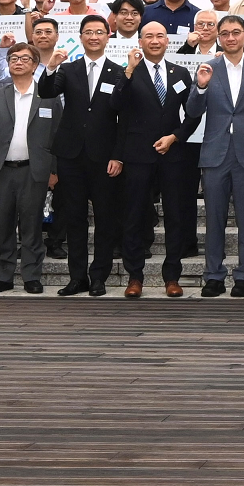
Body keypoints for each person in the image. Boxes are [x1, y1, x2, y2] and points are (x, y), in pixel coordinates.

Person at [36, 16, 126, 297]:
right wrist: (50, 67)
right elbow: (46, 91)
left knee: (104, 218)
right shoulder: (69, 69)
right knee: (74, 218)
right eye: (89, 32)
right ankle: (77, 278)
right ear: (81, 36)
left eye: (100, 32)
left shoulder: (118, 72)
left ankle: (99, 276)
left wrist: (118, 155)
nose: (94, 36)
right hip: (71, 155)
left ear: (108, 36)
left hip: (104, 157)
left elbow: (125, 117)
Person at [105, 21, 193, 296]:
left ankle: (172, 277)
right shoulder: (127, 72)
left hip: (172, 154)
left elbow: (193, 114)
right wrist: (129, 71)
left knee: (175, 217)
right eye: (148, 37)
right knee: (134, 216)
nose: (154, 41)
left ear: (168, 41)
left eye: (160, 36)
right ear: (140, 41)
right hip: (137, 155)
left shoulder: (180, 72)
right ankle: (135, 277)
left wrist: (175, 137)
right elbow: (115, 106)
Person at [189, 16, 244, 298]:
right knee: (214, 217)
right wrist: (200, 87)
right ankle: (213, 275)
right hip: (215, 152)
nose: (231, 38)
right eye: (225, 33)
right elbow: (192, 110)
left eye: (236, 32)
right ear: (218, 37)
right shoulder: (207, 67)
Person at [0, 44, 59, 293]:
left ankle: (31, 276)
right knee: (3, 225)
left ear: (36, 65)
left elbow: (57, 135)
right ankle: (2, 276)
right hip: (1, 170)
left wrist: (54, 170)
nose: (18, 62)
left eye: (25, 58)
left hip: (34, 170)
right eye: (13, 58)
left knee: (32, 225)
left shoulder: (49, 96)